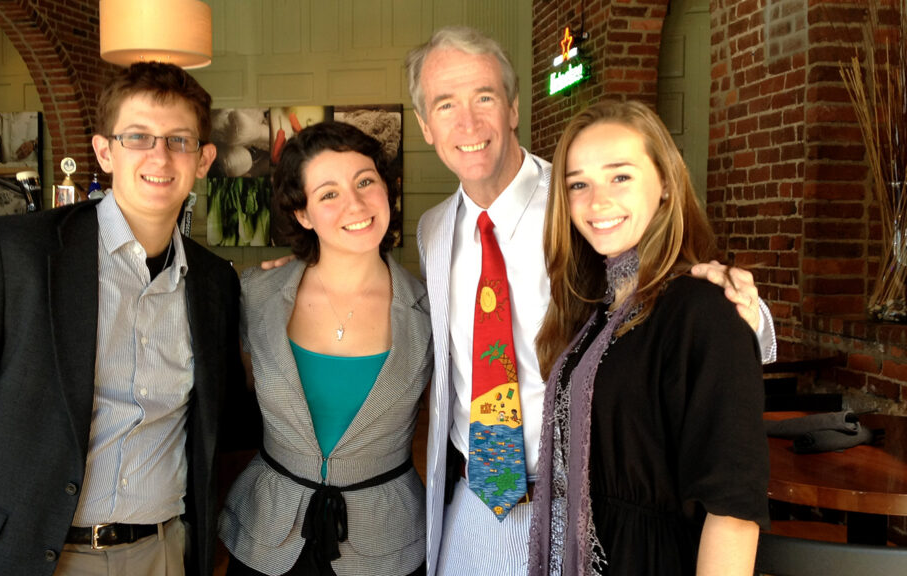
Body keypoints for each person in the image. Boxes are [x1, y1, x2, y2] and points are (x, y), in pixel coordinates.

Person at [404, 26, 776, 575]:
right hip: (478, 493)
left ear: (512, 109)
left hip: (582, 502)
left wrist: (750, 317)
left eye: (484, 97)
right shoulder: (434, 230)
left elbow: (677, 294)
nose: (468, 122)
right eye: (445, 104)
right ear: (425, 126)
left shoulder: (583, 205)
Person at [0, 62, 258, 576]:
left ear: (204, 159)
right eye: (139, 137)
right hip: (29, 556)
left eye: (179, 140)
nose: (160, 155)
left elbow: (226, 427)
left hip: (161, 554)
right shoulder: (12, 253)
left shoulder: (216, 282)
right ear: (105, 151)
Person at [527, 99, 768, 575]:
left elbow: (734, 510)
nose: (598, 201)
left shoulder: (704, 308)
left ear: (664, 185)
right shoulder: (596, 310)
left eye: (620, 176)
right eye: (579, 184)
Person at [220, 121, 432, 576]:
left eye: (365, 181)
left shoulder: (431, 312)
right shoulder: (256, 294)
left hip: (386, 542)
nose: (354, 203)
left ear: (386, 189)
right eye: (328, 193)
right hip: (268, 534)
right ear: (303, 213)